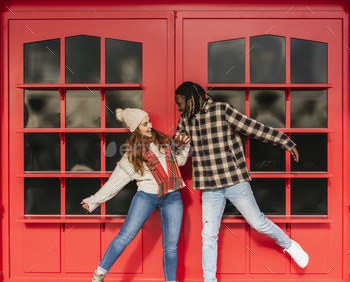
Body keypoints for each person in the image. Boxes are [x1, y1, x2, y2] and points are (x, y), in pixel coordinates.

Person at [174, 81, 309, 282]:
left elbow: (254, 128)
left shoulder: (222, 110)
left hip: (234, 180)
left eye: (180, 103)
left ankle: (289, 244)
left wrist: (285, 142)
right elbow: (178, 152)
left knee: (258, 223)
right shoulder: (185, 120)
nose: (178, 107)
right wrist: (177, 143)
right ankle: (208, 280)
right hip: (210, 187)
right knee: (208, 236)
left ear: (192, 98)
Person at [81, 108, 191, 282]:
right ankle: (99, 274)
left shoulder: (164, 141)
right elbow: (115, 183)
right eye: (145, 124)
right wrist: (94, 200)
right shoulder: (131, 155)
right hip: (147, 196)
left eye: (149, 121)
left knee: (171, 246)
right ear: (135, 127)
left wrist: (183, 146)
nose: (150, 126)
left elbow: (181, 161)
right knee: (125, 236)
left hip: (172, 196)